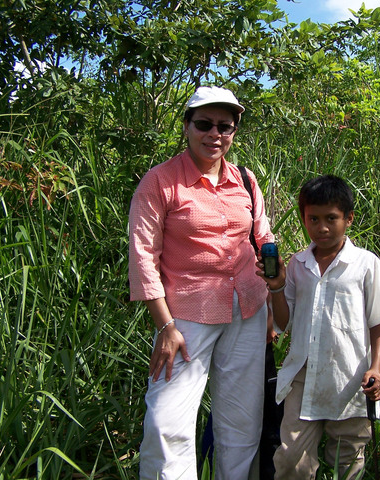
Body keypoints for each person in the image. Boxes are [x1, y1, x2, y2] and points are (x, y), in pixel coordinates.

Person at [129, 86, 274, 480]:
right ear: (187, 125)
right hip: (187, 317)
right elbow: (143, 256)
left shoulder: (244, 179)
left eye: (225, 127)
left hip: (249, 309)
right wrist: (165, 325)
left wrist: (272, 299)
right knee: (166, 421)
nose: (215, 135)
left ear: (235, 131)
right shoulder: (160, 182)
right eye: (204, 124)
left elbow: (263, 236)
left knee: (242, 421)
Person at [257, 175, 380, 480]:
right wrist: (278, 287)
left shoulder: (365, 264)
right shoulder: (297, 264)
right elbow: (285, 323)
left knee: (347, 461)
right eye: (314, 219)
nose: (322, 227)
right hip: (303, 376)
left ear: (348, 218)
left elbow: (379, 321)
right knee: (291, 459)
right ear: (303, 219)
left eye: (331, 218)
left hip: (350, 378)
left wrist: (376, 368)